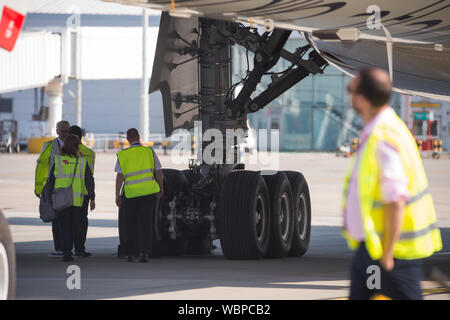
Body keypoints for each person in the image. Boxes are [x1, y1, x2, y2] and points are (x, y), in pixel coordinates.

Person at [342, 68, 442, 300]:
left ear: (361, 98)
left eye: (351, 89)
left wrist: (386, 255)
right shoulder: (383, 129)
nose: (350, 95)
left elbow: (395, 200)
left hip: (389, 254)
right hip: (371, 249)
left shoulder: (383, 137)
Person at [115, 128, 163, 263]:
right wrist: (161, 187)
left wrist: (117, 195)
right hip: (148, 193)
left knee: (130, 224)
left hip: (130, 194)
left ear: (128, 139)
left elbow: (120, 176)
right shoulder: (149, 151)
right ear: (139, 137)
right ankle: (144, 253)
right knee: (145, 224)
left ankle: (130, 253)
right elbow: (158, 171)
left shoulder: (123, 154)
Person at [46, 135, 96, 262]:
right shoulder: (82, 161)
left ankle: (66, 252)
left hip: (62, 199)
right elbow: (89, 180)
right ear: (76, 146)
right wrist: (92, 197)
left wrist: (49, 197)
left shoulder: (57, 160)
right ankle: (74, 249)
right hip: (77, 200)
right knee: (74, 227)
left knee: (64, 227)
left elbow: (51, 180)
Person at [34, 120, 70, 258]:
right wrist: (40, 187)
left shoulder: (74, 145)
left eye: (67, 131)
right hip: (54, 188)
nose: (65, 134)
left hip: (69, 188)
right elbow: (41, 168)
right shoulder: (49, 146)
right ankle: (59, 248)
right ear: (57, 131)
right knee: (56, 218)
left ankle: (68, 247)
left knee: (69, 219)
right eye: (63, 131)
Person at [69, 125, 96, 257]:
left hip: (66, 193)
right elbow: (89, 176)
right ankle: (79, 248)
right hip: (83, 192)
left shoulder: (63, 153)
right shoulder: (90, 153)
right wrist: (92, 196)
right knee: (81, 222)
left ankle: (66, 249)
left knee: (66, 221)